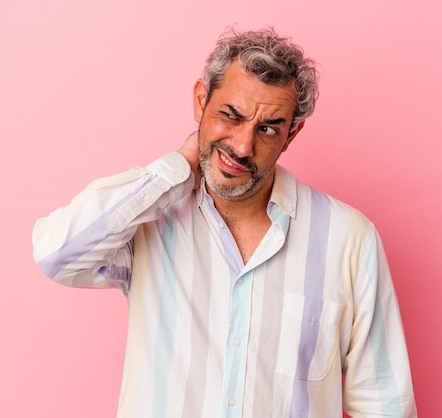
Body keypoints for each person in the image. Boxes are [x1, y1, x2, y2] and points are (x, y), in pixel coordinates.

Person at [32, 28, 417, 418]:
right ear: (201, 100)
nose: (242, 146)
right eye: (229, 116)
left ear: (291, 134)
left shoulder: (348, 240)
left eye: (268, 128)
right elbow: (56, 255)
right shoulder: (149, 221)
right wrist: (176, 170)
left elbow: (385, 405)